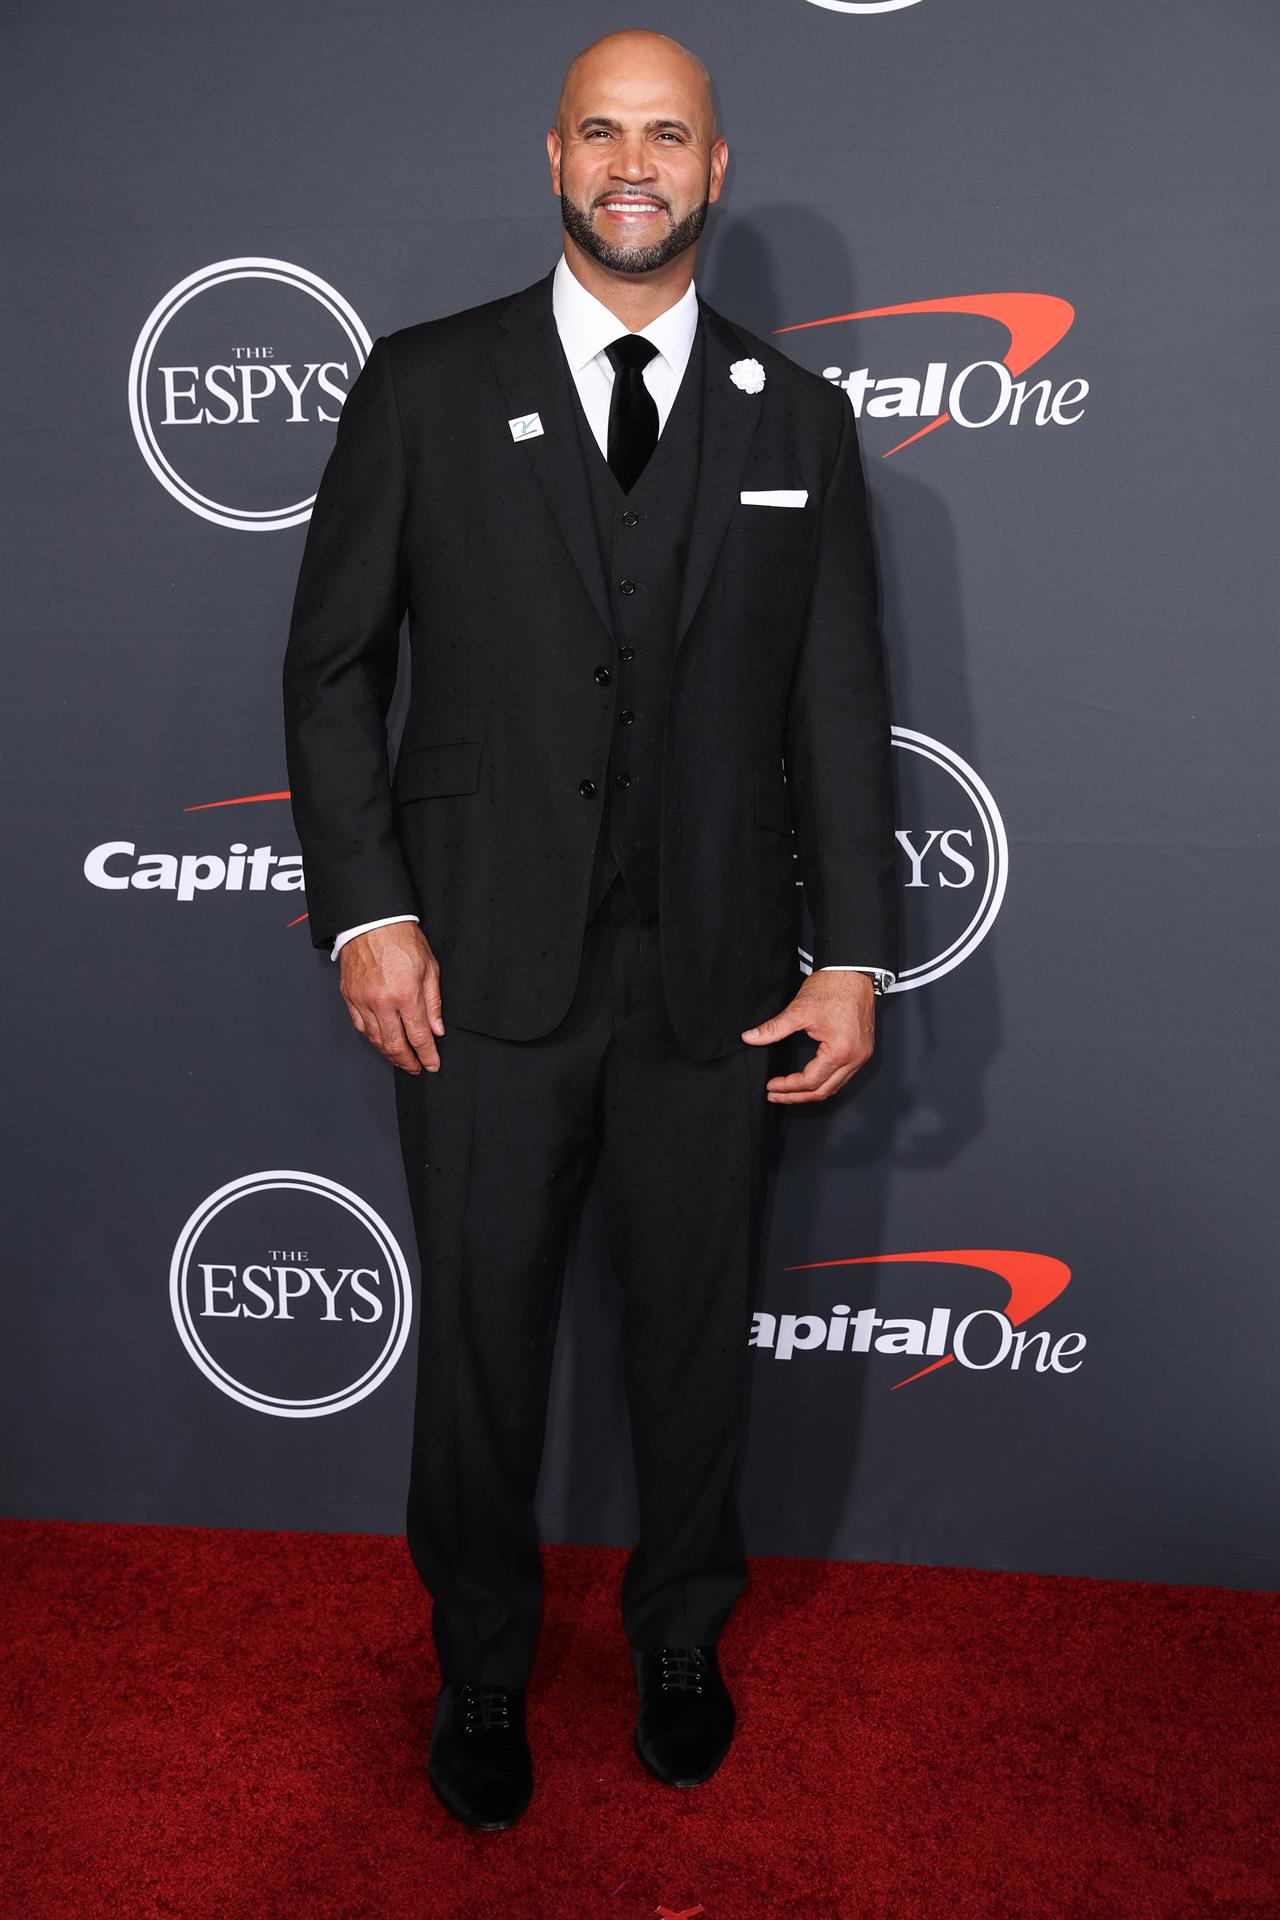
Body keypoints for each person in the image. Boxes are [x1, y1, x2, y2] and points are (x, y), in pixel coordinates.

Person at [282, 28, 898, 1831]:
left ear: (717, 171)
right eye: (605, 133)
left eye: (671, 137)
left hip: (715, 978)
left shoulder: (802, 423)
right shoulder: (419, 388)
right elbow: (332, 676)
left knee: (698, 1337)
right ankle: (480, 1660)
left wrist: (851, 948)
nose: (636, 164)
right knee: (478, 1337)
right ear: (556, 160)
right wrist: (370, 911)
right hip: (477, 972)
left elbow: (837, 711)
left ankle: (680, 1634)